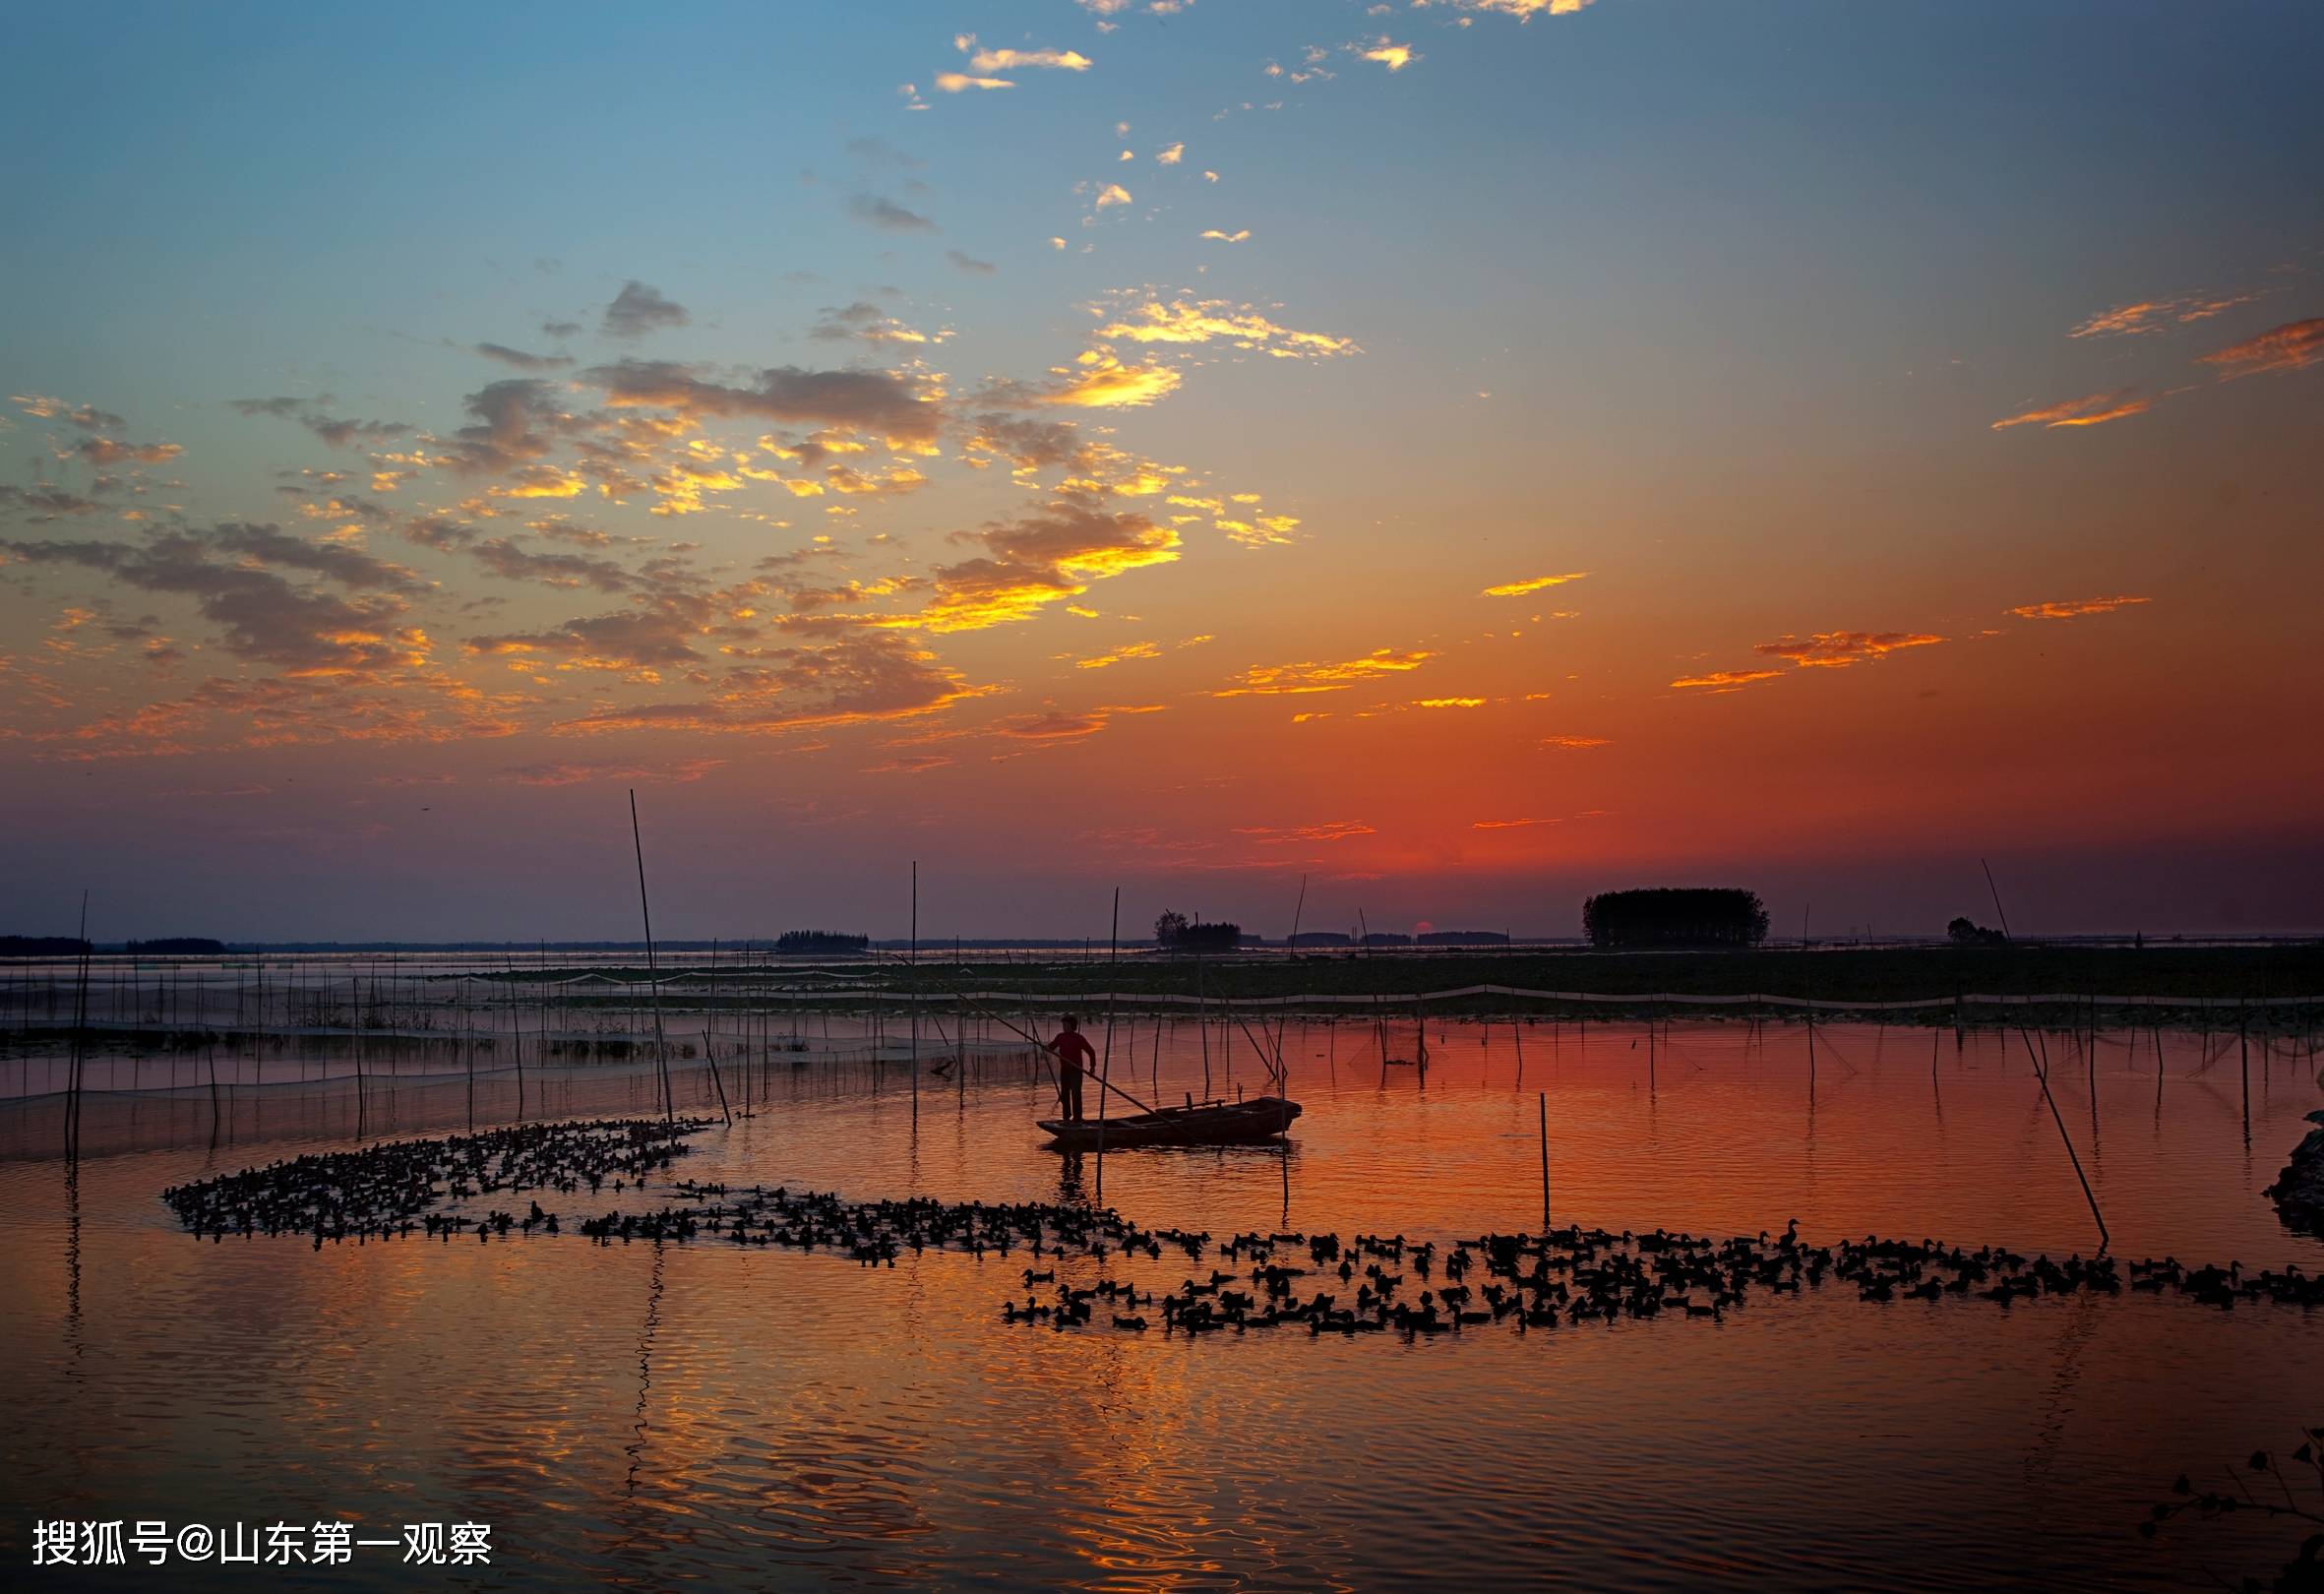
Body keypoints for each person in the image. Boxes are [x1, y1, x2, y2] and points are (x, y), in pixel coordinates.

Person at [1046, 1014, 1097, 1121]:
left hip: (1076, 1070)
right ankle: (1066, 1117)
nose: (1064, 1027)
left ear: (1072, 1026)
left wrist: (1092, 1067)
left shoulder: (1078, 1038)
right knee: (1065, 1093)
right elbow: (1052, 1046)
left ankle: (1077, 1118)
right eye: (1063, 1025)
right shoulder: (1060, 1037)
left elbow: (1091, 1052)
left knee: (1076, 1093)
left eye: (1066, 1025)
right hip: (1064, 1069)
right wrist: (1046, 1048)